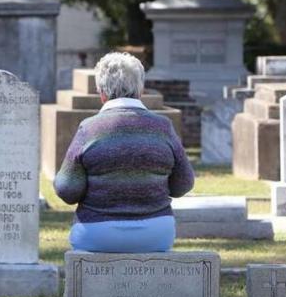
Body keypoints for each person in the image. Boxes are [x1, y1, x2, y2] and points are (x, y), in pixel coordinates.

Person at [53, 52, 195, 252]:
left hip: (98, 232)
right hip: (155, 232)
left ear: (101, 92)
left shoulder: (89, 128)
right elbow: (183, 185)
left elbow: (67, 189)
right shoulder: (163, 127)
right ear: (141, 90)